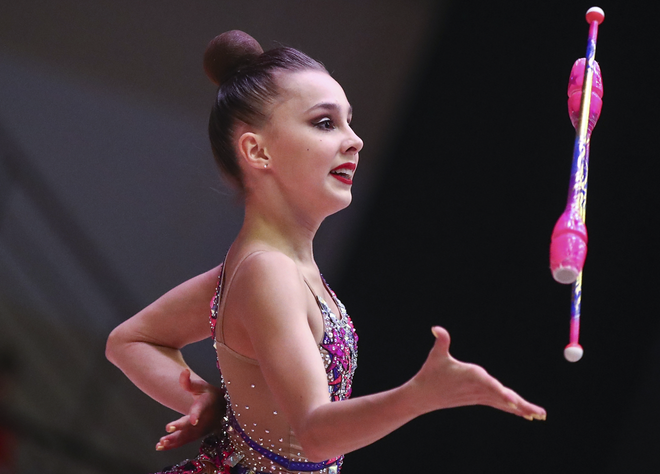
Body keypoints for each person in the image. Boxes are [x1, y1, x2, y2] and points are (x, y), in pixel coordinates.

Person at [105, 30, 546, 474]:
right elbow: (314, 435)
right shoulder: (267, 272)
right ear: (257, 151)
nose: (354, 140)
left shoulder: (258, 264)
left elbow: (131, 340)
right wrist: (420, 395)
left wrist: (209, 399)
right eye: (324, 122)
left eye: (349, 122)